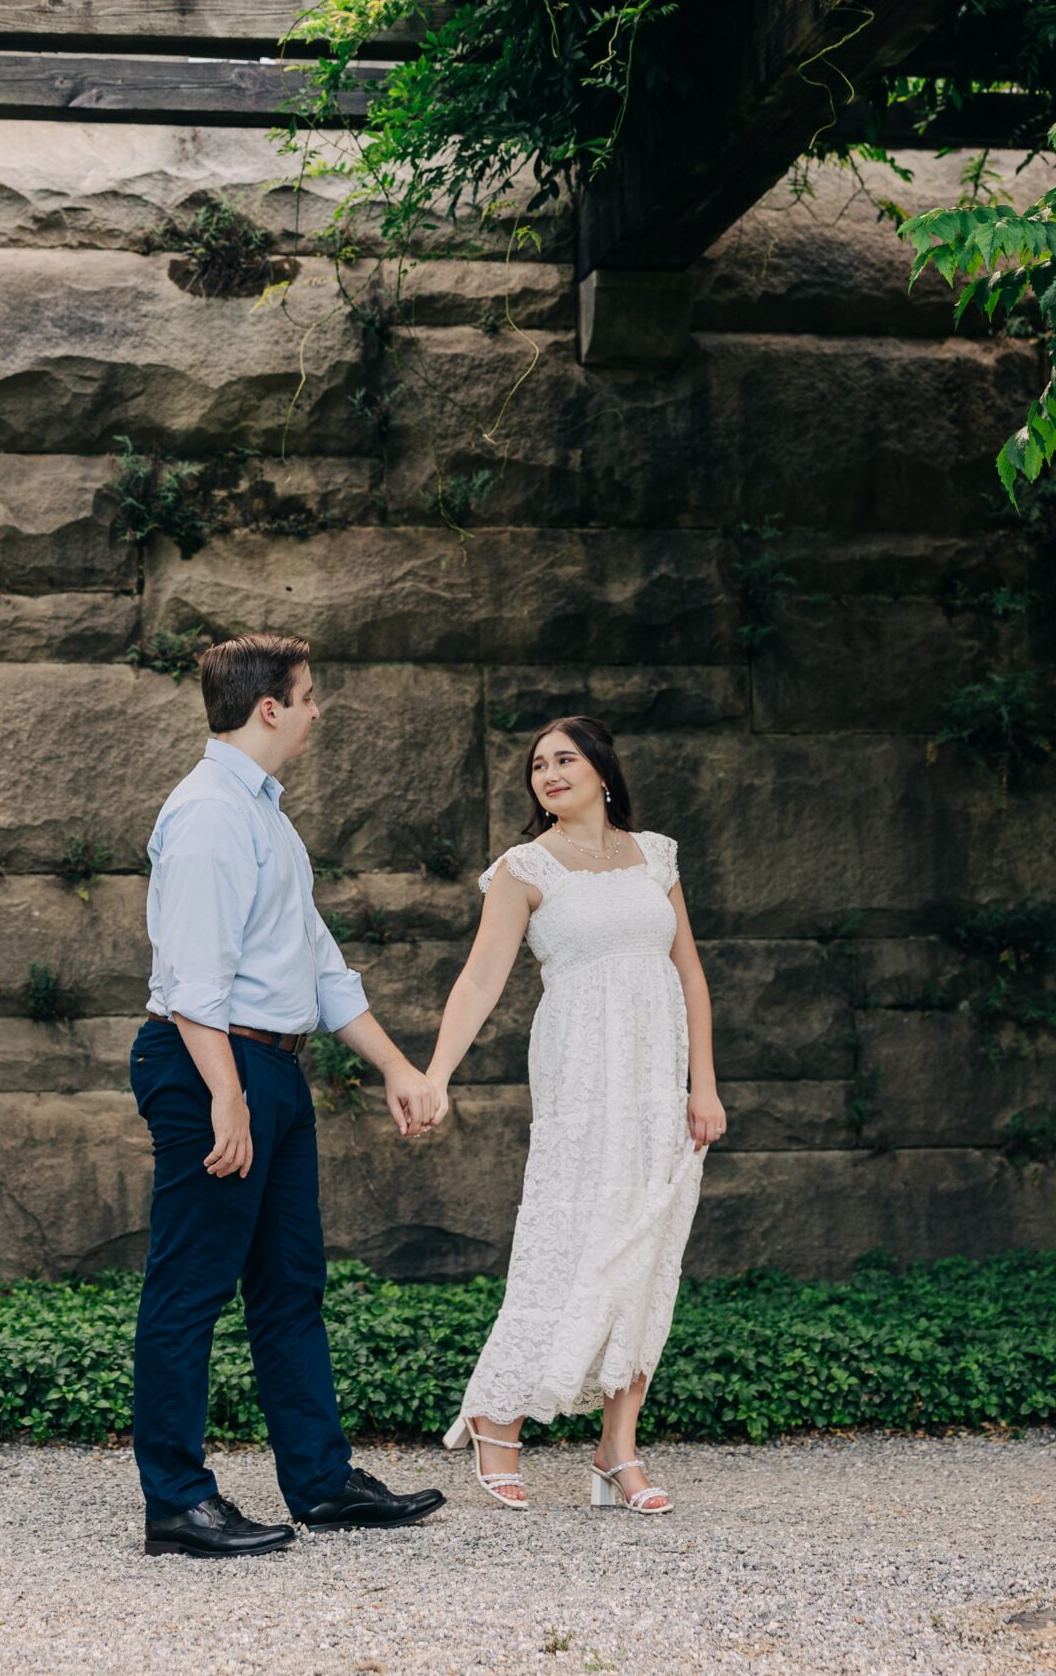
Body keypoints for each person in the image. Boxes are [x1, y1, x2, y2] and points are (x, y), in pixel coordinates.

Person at [130, 630, 447, 1558]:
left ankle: (318, 1482)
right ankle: (177, 1503)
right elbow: (192, 978)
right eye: (309, 695)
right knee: (190, 1289)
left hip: (269, 1066)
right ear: (269, 707)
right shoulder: (206, 816)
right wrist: (224, 1094)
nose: (318, 710)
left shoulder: (265, 816)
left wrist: (395, 1065)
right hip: (211, 1067)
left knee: (289, 1286)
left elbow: (317, 965)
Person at [422, 715, 726, 1516]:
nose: (548, 773)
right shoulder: (523, 867)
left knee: (649, 1246)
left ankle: (615, 1449)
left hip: (657, 1080)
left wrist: (704, 1085)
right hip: (581, 1074)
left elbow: (688, 974)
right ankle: (496, 1417)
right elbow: (480, 980)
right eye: (536, 766)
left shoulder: (654, 855)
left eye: (564, 759)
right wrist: (436, 1073)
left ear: (600, 771)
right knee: (566, 1237)